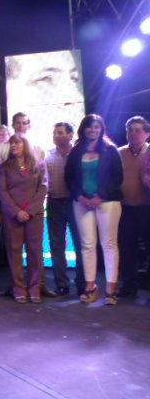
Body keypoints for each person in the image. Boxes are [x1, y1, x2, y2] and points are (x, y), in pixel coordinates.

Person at [65, 114, 123, 305]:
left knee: (109, 244)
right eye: (89, 126)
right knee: (87, 245)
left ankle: (111, 290)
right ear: (84, 129)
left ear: (101, 129)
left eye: (97, 126)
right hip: (82, 203)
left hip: (107, 202)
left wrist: (100, 196)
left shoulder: (111, 150)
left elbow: (117, 177)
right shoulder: (76, 151)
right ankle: (90, 287)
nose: (93, 130)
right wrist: (81, 197)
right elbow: (69, 178)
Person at [0, 135, 48, 304]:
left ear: (25, 144)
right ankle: (18, 289)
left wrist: (29, 211)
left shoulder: (38, 164)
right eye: (11, 143)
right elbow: (2, 191)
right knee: (14, 253)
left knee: (35, 252)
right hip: (13, 216)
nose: (13, 145)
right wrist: (16, 212)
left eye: (17, 142)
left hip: (34, 215)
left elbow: (43, 188)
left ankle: (34, 289)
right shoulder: (5, 167)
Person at [44, 122, 85, 296]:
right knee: (56, 245)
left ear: (70, 135)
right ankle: (62, 284)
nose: (56, 136)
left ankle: (82, 283)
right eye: (54, 133)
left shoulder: (78, 154)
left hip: (75, 203)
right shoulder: (47, 155)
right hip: (54, 202)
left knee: (80, 243)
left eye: (60, 133)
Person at [116, 116, 150, 298]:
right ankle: (129, 286)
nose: (133, 133)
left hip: (147, 209)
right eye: (130, 130)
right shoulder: (118, 153)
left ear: (147, 133)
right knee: (126, 248)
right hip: (125, 209)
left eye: (138, 130)